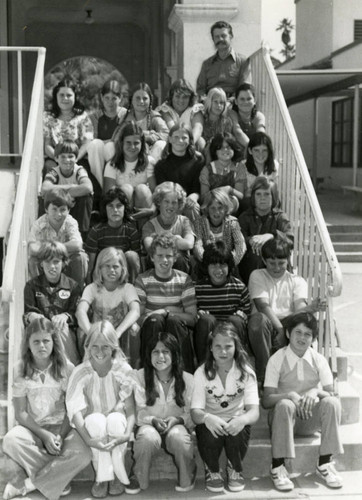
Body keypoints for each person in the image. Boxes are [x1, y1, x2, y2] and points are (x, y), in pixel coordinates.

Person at [2, 317, 91, 500]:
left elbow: (72, 409)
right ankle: (58, 479)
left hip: (63, 427)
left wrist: (60, 435)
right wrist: (44, 435)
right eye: (36, 341)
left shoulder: (67, 368)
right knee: (11, 440)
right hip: (35, 427)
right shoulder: (20, 369)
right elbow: (21, 413)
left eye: (46, 341)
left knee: (84, 454)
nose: (41, 346)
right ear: (28, 344)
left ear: (53, 342)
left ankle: (29, 484)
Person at [262, 312, 344, 491]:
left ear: (313, 338)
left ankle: (325, 463)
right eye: (298, 332)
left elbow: (332, 394)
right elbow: (266, 401)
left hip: (308, 419)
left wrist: (315, 391)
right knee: (284, 404)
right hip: (283, 421)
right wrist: (289, 395)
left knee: (332, 403)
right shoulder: (276, 359)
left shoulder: (319, 359)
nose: (302, 338)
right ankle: (277, 467)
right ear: (288, 333)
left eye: (307, 334)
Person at [66, 320, 135, 498]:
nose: (99, 352)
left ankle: (114, 476)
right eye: (94, 346)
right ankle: (103, 477)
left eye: (105, 346)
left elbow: (130, 408)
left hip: (116, 424)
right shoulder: (81, 372)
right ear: (87, 346)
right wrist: (89, 441)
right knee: (96, 421)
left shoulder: (123, 370)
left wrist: (128, 433)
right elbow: (75, 412)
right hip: (92, 427)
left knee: (113, 420)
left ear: (113, 347)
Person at [191, 321, 259, 493]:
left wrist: (242, 419)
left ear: (236, 347)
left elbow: (254, 411)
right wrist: (207, 418)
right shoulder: (201, 373)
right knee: (206, 429)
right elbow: (195, 412)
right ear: (211, 348)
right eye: (218, 346)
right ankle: (212, 470)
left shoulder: (246, 372)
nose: (223, 351)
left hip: (235, 419)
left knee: (238, 428)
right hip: (212, 419)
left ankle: (234, 468)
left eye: (228, 346)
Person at [128, 332, 195, 494]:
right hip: (147, 426)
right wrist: (152, 420)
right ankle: (137, 475)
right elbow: (135, 411)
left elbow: (193, 413)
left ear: (175, 354)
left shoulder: (188, 379)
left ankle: (188, 472)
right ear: (149, 355)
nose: (160, 356)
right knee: (147, 438)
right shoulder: (138, 377)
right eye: (155, 352)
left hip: (177, 426)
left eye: (166, 351)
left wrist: (178, 420)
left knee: (178, 437)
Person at [248, 237, 313, 386]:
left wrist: (311, 308)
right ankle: (265, 376)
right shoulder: (257, 275)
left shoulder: (297, 280)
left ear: (288, 261)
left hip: (288, 322)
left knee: (305, 321)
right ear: (264, 261)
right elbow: (262, 306)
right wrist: (280, 330)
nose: (276, 268)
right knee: (258, 319)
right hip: (267, 325)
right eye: (272, 263)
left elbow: (300, 310)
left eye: (281, 263)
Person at [135, 233, 197, 373]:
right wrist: (162, 313)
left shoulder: (184, 279)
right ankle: (149, 373)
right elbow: (138, 318)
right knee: (155, 320)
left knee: (173, 320)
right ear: (152, 257)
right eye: (160, 255)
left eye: (169, 256)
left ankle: (185, 374)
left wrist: (167, 312)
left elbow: (192, 318)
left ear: (175, 258)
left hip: (175, 330)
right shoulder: (143, 280)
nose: (165, 260)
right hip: (152, 329)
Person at [76, 248, 140, 367]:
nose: (112, 270)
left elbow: (135, 311)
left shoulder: (127, 288)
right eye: (107, 266)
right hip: (98, 331)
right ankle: (87, 364)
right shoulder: (92, 288)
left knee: (134, 328)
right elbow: (80, 311)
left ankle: (130, 366)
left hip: (119, 330)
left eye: (115, 266)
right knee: (81, 331)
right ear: (99, 268)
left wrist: (118, 332)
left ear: (123, 269)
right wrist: (91, 332)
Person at [24, 241, 82, 366]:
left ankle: (69, 368)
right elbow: (28, 311)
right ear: (41, 264)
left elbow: (77, 313)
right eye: (47, 262)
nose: (52, 266)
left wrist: (65, 316)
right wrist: (32, 315)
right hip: (41, 331)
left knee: (60, 327)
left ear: (64, 262)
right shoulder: (32, 286)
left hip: (63, 333)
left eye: (56, 261)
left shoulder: (73, 286)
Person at [194, 242, 251, 364]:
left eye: (223, 265)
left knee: (237, 320)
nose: (218, 270)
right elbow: (193, 311)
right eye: (213, 265)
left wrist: (243, 316)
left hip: (230, 331)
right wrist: (198, 314)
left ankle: (238, 363)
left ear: (229, 266)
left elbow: (247, 313)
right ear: (206, 267)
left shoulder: (239, 287)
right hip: (209, 332)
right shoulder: (198, 288)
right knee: (205, 320)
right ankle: (203, 365)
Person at [28, 187, 88, 287]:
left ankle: (76, 294)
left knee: (80, 257)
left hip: (66, 262)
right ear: (46, 209)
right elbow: (32, 248)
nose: (58, 214)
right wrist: (53, 251)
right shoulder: (39, 224)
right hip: (47, 262)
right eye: (54, 209)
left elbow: (77, 244)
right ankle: (42, 293)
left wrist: (53, 247)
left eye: (63, 210)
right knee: (33, 261)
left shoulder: (71, 222)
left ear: (68, 210)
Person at [238, 177, 293, 284]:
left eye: (267, 194)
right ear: (253, 197)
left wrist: (271, 236)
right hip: (252, 264)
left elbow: (290, 240)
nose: (262, 198)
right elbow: (238, 240)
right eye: (258, 194)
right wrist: (251, 240)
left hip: (276, 262)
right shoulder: (245, 217)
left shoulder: (280, 217)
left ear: (274, 197)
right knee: (255, 255)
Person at [84, 187, 141, 285]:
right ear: (105, 209)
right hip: (103, 276)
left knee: (132, 256)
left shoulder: (131, 230)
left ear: (125, 208)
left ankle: (133, 291)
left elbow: (136, 262)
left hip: (123, 274)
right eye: (110, 206)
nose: (115, 210)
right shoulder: (96, 231)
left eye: (119, 206)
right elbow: (90, 267)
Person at [103, 122, 156, 223]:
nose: (132, 147)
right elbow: (108, 197)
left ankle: (144, 232)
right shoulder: (112, 164)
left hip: (144, 207)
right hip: (122, 210)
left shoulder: (149, 162)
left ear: (142, 144)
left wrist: (152, 209)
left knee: (142, 189)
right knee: (126, 189)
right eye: (128, 142)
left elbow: (155, 193)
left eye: (136, 143)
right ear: (121, 143)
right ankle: (125, 229)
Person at [41, 140, 93, 236]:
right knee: (44, 198)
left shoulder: (79, 170)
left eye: (70, 156)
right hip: (60, 207)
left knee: (86, 197)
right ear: (56, 158)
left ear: (76, 158)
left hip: (76, 208)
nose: (67, 160)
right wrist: (72, 187)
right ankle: (47, 231)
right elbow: (44, 189)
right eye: (63, 156)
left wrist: (61, 191)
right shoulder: (54, 172)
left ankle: (82, 234)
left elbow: (88, 187)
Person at [154, 123, 205, 222]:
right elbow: (163, 191)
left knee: (192, 207)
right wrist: (178, 200)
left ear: (190, 140)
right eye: (176, 137)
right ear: (170, 139)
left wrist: (194, 196)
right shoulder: (161, 165)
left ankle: (197, 236)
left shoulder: (198, 161)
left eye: (184, 137)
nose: (180, 141)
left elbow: (197, 187)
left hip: (188, 201)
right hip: (170, 201)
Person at [142, 182, 195, 274]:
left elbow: (189, 244)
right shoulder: (150, 225)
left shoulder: (184, 221)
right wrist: (176, 239)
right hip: (156, 270)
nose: (170, 206)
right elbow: (149, 247)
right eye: (166, 201)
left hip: (179, 269)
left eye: (174, 202)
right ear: (159, 202)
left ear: (179, 204)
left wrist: (159, 241)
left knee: (178, 257)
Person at [43, 77, 93, 173]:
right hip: (55, 159)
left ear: (75, 97)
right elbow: (47, 145)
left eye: (69, 95)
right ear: (56, 96)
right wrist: (60, 160)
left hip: (77, 159)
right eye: (61, 95)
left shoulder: (82, 117)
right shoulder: (48, 117)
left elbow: (86, 144)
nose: (65, 98)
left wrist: (73, 160)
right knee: (50, 168)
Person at [193, 188, 246, 271]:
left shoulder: (232, 223)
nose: (216, 212)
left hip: (228, 265)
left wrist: (229, 263)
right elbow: (197, 245)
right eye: (213, 208)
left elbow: (240, 246)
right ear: (207, 208)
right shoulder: (200, 223)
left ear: (225, 208)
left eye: (220, 208)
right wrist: (209, 264)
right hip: (205, 265)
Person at [88, 80, 128, 187]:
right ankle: (100, 187)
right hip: (100, 153)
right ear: (101, 97)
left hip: (120, 152)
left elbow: (124, 138)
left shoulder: (126, 115)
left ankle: (115, 188)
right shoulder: (95, 117)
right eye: (107, 98)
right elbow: (92, 140)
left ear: (120, 98)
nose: (110, 102)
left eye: (114, 98)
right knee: (95, 144)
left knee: (111, 146)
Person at [196, 21, 251, 99]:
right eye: (217, 37)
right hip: (211, 104)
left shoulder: (243, 61)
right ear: (213, 39)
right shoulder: (206, 64)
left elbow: (244, 88)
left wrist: (232, 101)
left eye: (223, 36)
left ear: (231, 36)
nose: (220, 39)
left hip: (234, 104)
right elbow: (200, 89)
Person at [121, 82, 169, 162]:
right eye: (138, 98)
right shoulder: (125, 118)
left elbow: (167, 134)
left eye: (145, 98)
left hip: (151, 156)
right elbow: (118, 137)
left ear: (150, 100)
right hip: (129, 153)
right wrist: (144, 135)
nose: (141, 101)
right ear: (131, 99)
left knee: (161, 144)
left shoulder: (154, 117)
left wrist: (153, 137)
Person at [200, 133, 245, 214]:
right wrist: (219, 194)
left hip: (231, 206)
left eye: (228, 147)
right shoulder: (207, 169)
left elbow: (240, 195)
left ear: (233, 148)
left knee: (234, 200)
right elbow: (203, 197)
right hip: (212, 204)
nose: (225, 150)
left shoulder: (239, 167)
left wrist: (229, 189)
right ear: (215, 151)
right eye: (220, 147)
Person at [156, 78, 204, 148]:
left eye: (185, 97)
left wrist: (189, 144)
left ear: (190, 98)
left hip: (190, 144)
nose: (181, 100)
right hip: (173, 142)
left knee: (201, 141)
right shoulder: (165, 109)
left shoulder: (195, 109)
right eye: (177, 96)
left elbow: (198, 128)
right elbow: (173, 129)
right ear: (171, 96)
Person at [239, 131, 279, 206]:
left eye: (264, 150)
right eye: (256, 150)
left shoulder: (275, 165)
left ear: (269, 151)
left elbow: (275, 192)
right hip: (249, 204)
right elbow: (241, 195)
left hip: (268, 203)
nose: (260, 154)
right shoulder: (242, 165)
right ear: (250, 151)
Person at [200, 87, 238, 158]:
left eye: (221, 103)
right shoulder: (201, 118)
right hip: (203, 153)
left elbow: (227, 140)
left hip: (220, 153)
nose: (219, 106)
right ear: (209, 101)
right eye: (215, 102)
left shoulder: (227, 122)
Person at [229, 83, 266, 157]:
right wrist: (252, 149)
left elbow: (260, 135)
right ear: (236, 101)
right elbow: (237, 132)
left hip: (252, 153)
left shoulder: (259, 116)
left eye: (249, 99)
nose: (245, 102)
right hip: (233, 153)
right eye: (242, 99)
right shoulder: (231, 113)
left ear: (254, 100)